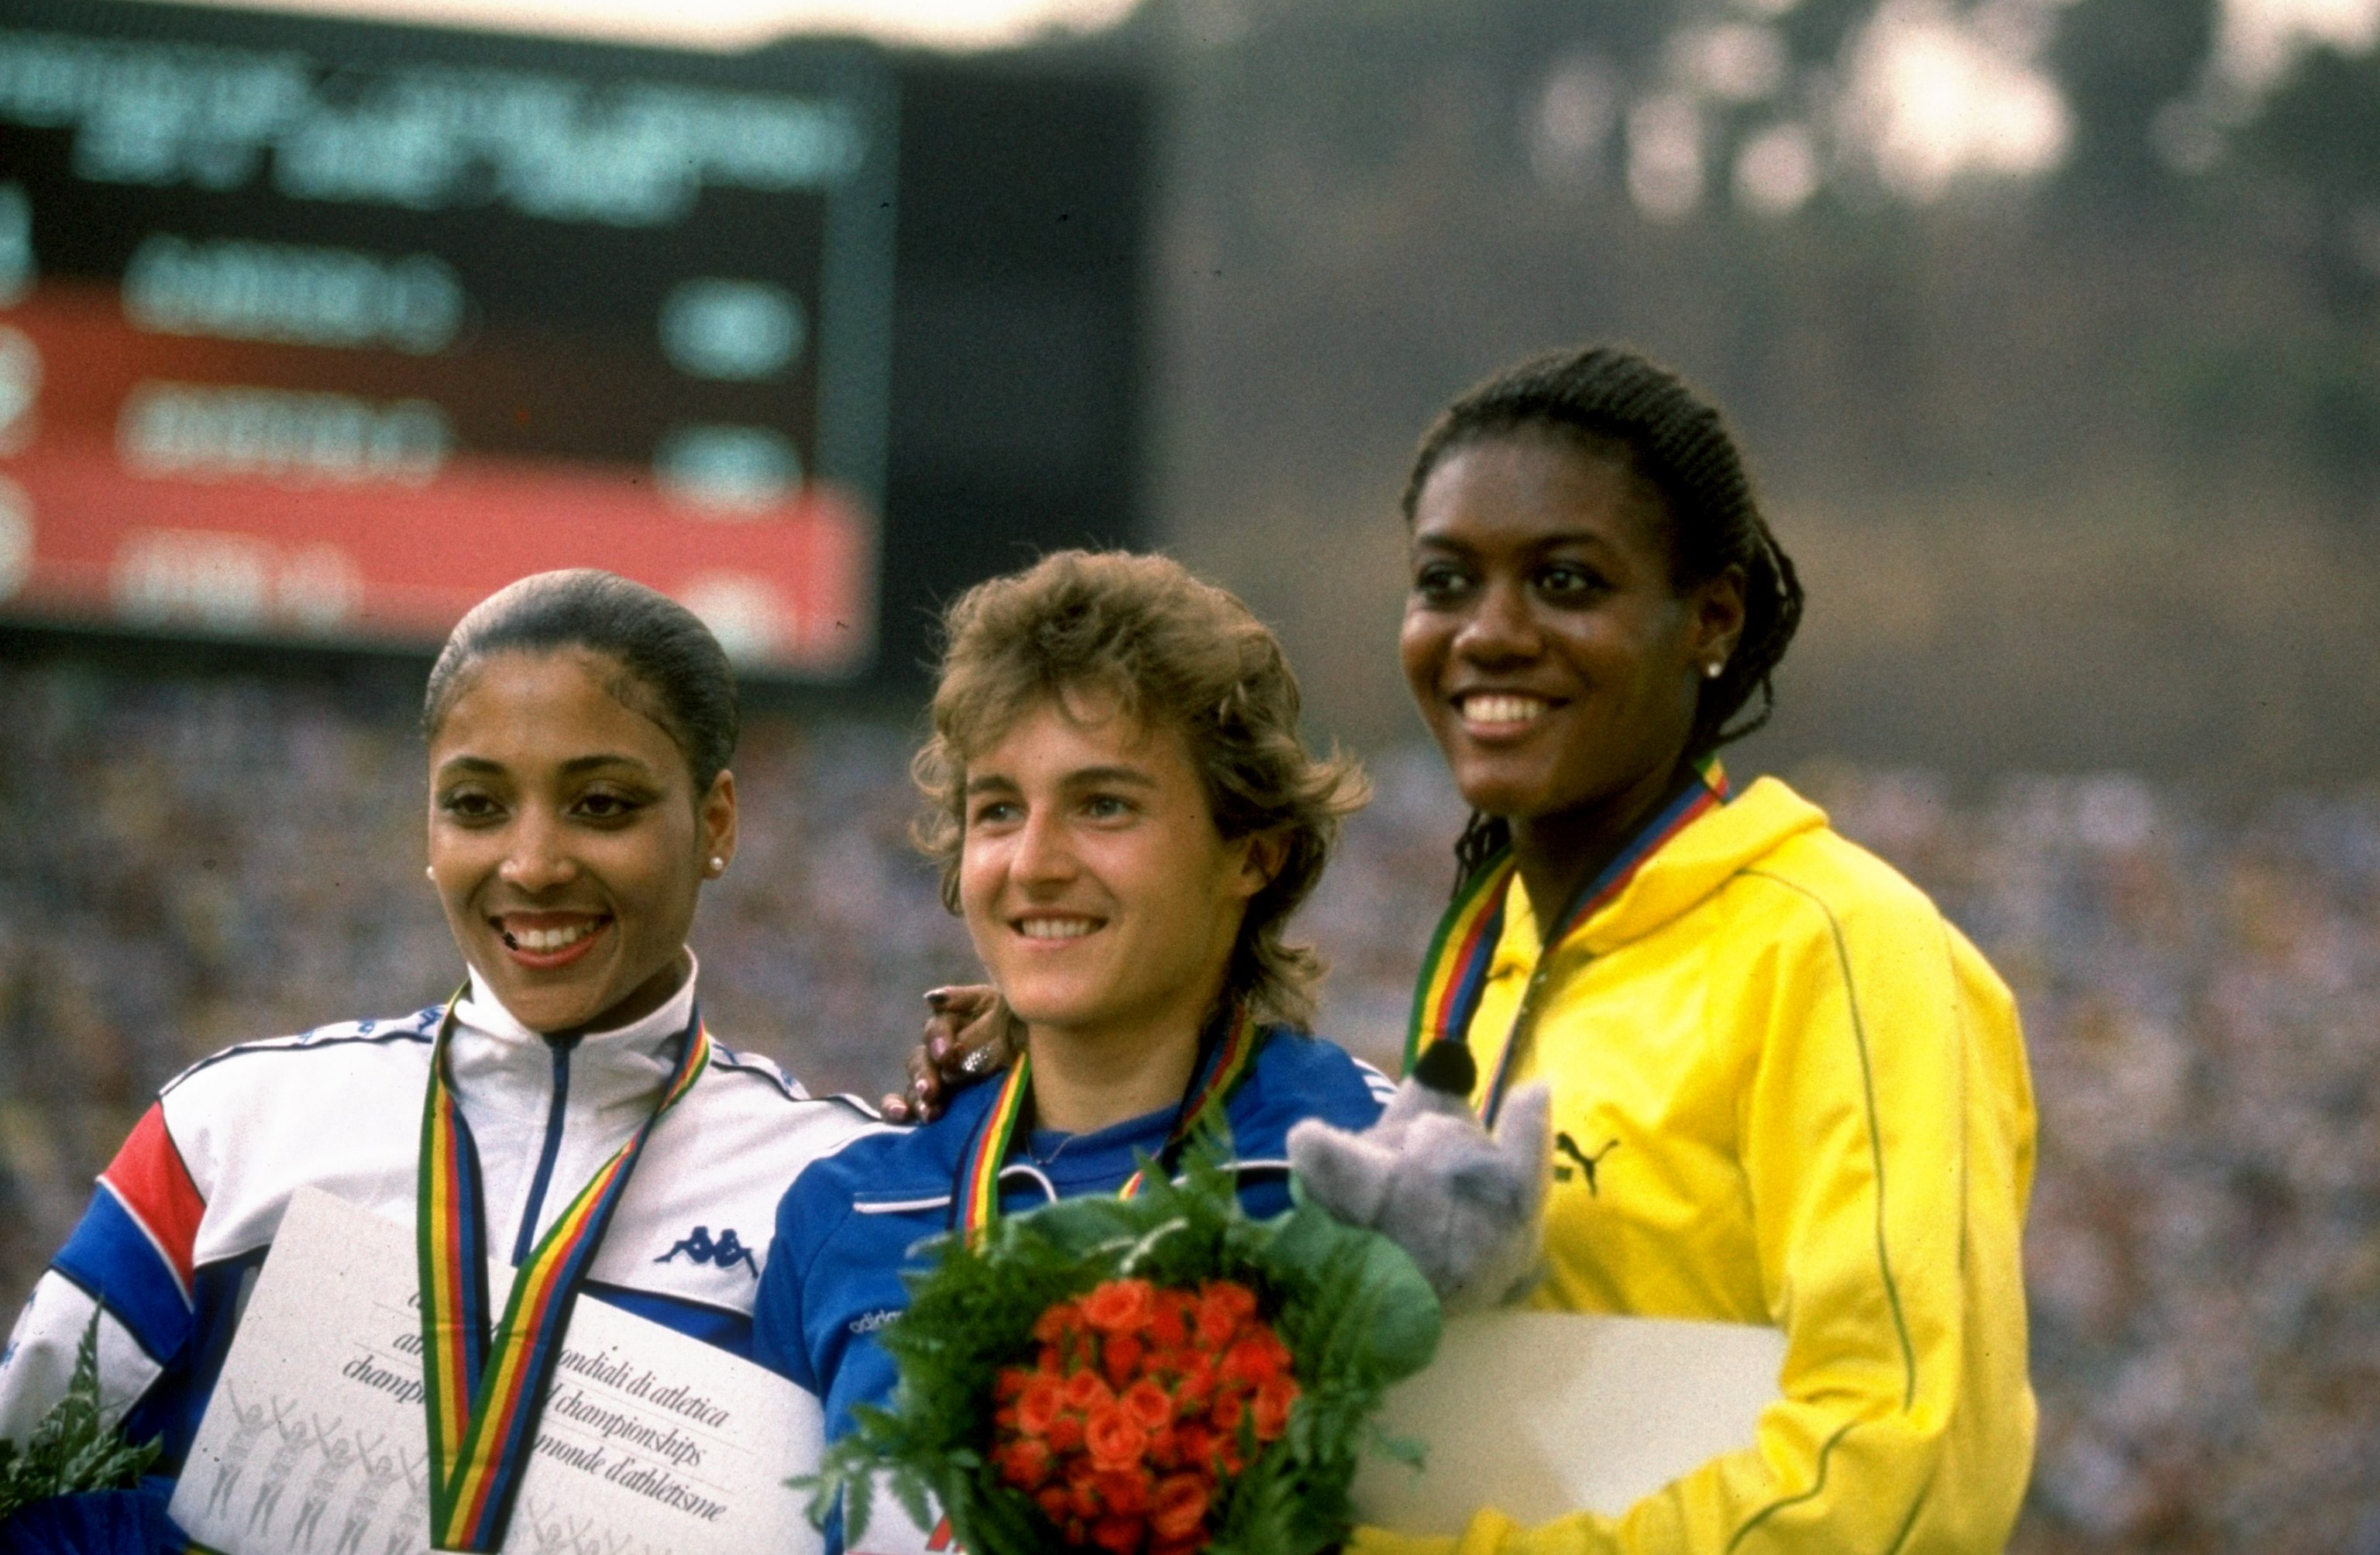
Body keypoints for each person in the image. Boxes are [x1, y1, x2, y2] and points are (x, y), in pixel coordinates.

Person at [909, 349, 2038, 1554]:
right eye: (1446, 582)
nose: (1489, 634)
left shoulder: (1841, 949)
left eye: (1564, 581)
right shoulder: (1495, 970)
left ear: (1710, 616)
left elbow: (1905, 1466)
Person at [0, 570, 871, 1520]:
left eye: (604, 804)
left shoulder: (844, 1183)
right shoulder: (229, 1135)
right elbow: (19, 1488)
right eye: (476, 805)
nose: (532, 865)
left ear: (716, 822)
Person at [751, 550, 1391, 1550]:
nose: (1035, 864)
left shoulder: (1359, 1166)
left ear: (1252, 852)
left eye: (1103, 805)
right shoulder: (846, 1210)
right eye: (998, 809)